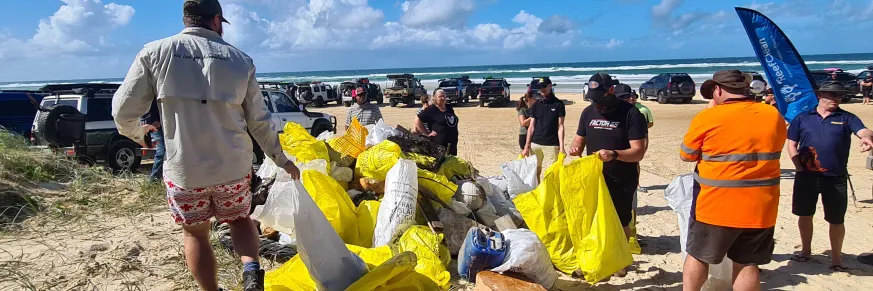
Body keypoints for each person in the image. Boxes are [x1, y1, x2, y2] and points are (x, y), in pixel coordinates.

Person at [111, 1, 300, 290]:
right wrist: (280, 158)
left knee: (196, 235)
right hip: (233, 166)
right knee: (239, 220)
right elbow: (259, 121)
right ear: (216, 20)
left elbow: (122, 111)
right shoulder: (240, 60)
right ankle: (251, 273)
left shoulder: (154, 53)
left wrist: (138, 133)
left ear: (187, 19)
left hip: (186, 170)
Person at [679, 70, 786, 291]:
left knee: (698, 255)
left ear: (717, 90)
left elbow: (686, 154)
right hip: (760, 204)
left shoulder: (709, 117)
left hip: (716, 203)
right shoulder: (772, 114)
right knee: (747, 262)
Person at [787, 81, 873, 272]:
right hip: (806, 177)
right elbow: (792, 143)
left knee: (836, 219)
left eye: (839, 95)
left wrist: (867, 137)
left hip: (835, 177)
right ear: (819, 95)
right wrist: (797, 167)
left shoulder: (846, 117)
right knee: (805, 214)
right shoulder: (802, 118)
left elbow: (863, 130)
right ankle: (806, 251)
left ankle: (836, 258)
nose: (836, 99)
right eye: (832, 95)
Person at [569, 78, 648, 243]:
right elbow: (579, 139)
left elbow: (638, 152)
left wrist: (614, 154)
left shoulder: (631, 113)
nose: (597, 102)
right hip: (594, 176)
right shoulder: (588, 112)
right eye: (593, 99)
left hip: (621, 177)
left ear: (611, 90)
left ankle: (621, 262)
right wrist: (575, 148)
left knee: (620, 219)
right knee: (593, 216)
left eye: (600, 97)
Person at [521, 77, 566, 178]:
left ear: (550, 86)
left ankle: (550, 193)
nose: (542, 89)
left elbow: (561, 126)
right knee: (534, 173)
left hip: (552, 144)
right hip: (535, 143)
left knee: (552, 174)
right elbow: (531, 126)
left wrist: (562, 147)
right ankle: (538, 192)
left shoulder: (559, 104)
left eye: (544, 86)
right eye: (540, 87)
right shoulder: (536, 105)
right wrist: (526, 146)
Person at [415, 89, 460, 155]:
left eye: (444, 96)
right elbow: (417, 120)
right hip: (439, 146)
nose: (443, 98)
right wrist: (427, 133)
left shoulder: (449, 107)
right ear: (435, 98)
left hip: (452, 144)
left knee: (451, 163)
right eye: (440, 96)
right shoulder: (431, 109)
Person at [143, 100, 164, 182]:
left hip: (165, 125)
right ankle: (153, 179)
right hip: (156, 126)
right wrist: (154, 120)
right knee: (162, 152)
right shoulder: (152, 94)